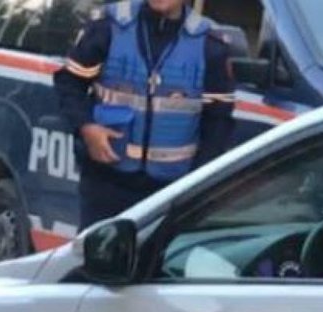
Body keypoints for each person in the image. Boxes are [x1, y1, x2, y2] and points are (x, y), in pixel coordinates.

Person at [55, 0, 236, 228]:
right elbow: (69, 83)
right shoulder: (109, 27)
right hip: (106, 183)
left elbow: (218, 123)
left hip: (172, 192)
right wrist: (86, 127)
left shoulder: (209, 44)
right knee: (99, 250)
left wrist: (197, 185)